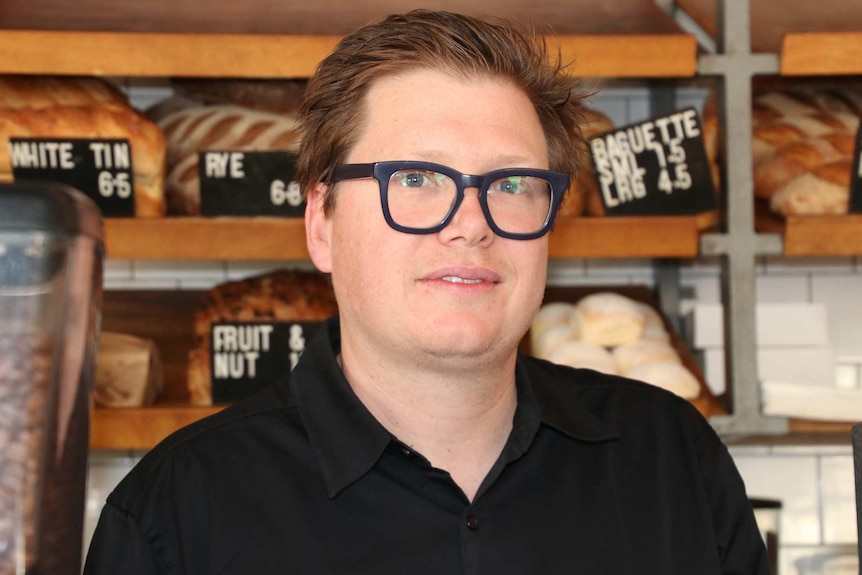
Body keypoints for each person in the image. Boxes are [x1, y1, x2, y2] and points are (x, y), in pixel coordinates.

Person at [84, 9, 769, 575]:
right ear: (321, 224)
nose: (470, 224)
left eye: (510, 184)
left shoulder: (671, 459)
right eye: (415, 179)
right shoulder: (176, 513)